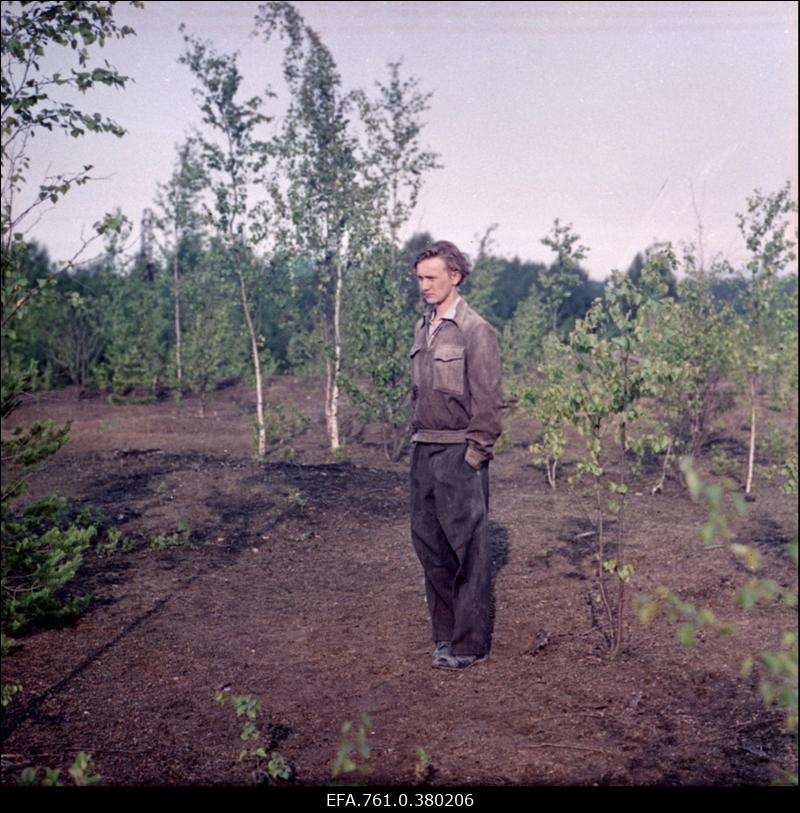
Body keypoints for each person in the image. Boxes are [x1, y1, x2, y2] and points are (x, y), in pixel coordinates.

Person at [409, 240, 503, 670]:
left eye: (432, 277)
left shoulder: (474, 330)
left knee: (468, 551)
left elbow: (489, 401)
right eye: (420, 278)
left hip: (459, 451)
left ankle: (468, 645)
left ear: (455, 276)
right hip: (423, 450)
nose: (424, 285)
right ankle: (445, 636)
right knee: (430, 547)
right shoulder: (423, 327)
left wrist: (475, 455)